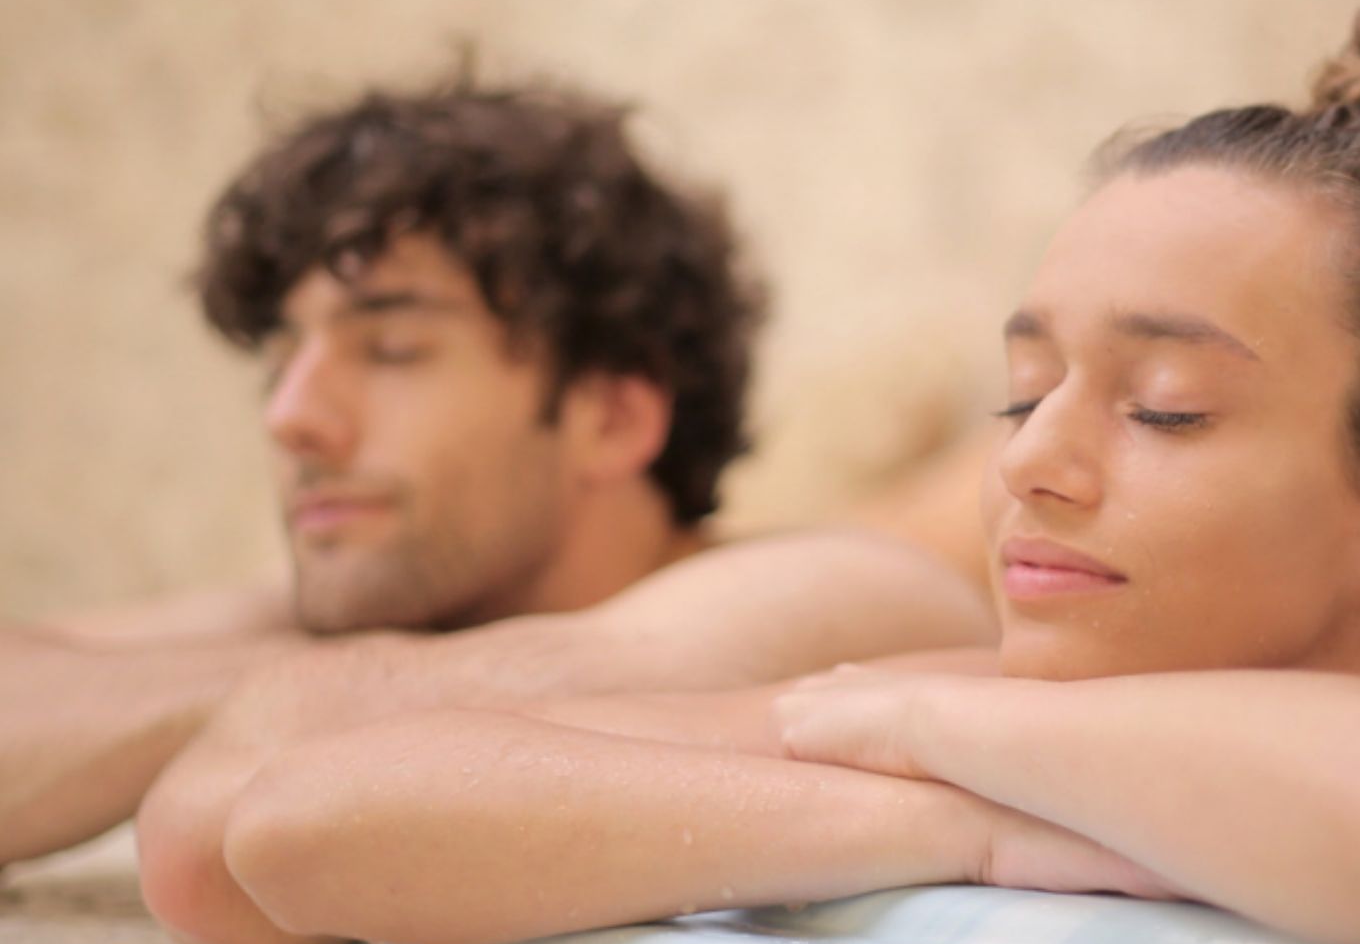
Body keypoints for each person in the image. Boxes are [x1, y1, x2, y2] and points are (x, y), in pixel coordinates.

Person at [141, 0, 1360, 944]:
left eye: (1163, 408)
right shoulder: (930, 724)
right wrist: (963, 822)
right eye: (1021, 391)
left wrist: (939, 736)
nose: (1032, 464)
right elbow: (293, 824)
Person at [0, 78, 995, 871]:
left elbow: (282, 776)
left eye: (391, 348)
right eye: (281, 357)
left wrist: (297, 690)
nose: (290, 416)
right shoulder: (394, 617)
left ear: (612, 415)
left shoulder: (831, 594)